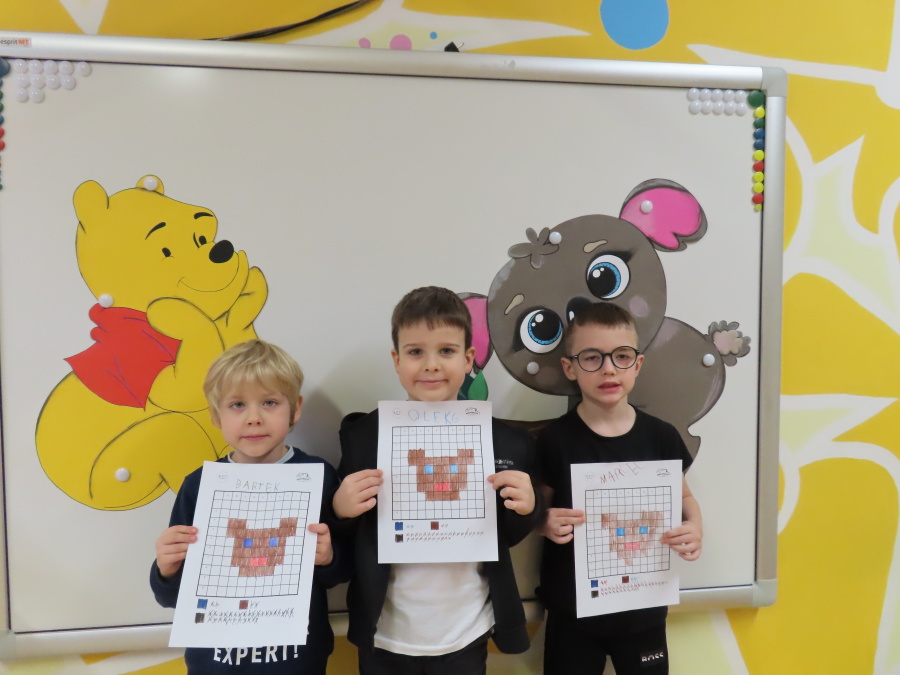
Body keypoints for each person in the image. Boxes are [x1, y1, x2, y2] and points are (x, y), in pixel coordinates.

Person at [333, 286, 544, 674]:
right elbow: (347, 536)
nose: (431, 365)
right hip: (386, 634)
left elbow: (507, 535)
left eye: (446, 351)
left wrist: (527, 508)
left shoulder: (503, 442)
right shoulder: (364, 438)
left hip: (466, 631)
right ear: (396, 360)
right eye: (416, 352)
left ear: (468, 359)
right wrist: (340, 509)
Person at [150, 339, 346, 675]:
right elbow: (171, 597)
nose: (254, 418)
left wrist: (329, 558)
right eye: (237, 405)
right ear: (216, 415)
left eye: (269, 402)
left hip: (297, 660)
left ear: (295, 409)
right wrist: (166, 569)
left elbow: (341, 574)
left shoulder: (318, 476)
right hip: (215, 662)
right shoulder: (199, 486)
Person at [536, 302, 703, 675]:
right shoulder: (554, 440)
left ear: (637, 365)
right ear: (569, 368)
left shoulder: (661, 436)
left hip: (644, 611)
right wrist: (544, 522)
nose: (608, 368)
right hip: (572, 614)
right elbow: (537, 512)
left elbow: (685, 498)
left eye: (622, 356)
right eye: (591, 357)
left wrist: (694, 526)